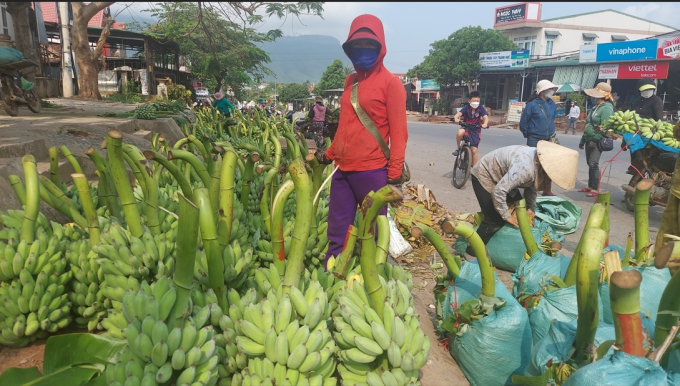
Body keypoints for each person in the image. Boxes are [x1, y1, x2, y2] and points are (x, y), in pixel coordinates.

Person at [314, 14, 407, 270]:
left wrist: (394, 174)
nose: (363, 50)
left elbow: (399, 134)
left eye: (369, 44)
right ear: (350, 48)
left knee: (374, 232)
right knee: (336, 230)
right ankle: (331, 275)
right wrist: (330, 154)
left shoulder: (392, 84)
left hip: (373, 172)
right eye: (358, 45)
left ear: (380, 46)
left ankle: (374, 279)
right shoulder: (350, 81)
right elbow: (346, 125)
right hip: (342, 171)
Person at [469, 141, 578, 252]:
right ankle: (471, 251)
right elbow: (499, 191)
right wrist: (507, 216)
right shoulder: (525, 169)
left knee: (519, 208)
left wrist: (531, 210)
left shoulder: (537, 162)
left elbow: (531, 188)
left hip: (504, 178)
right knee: (494, 220)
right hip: (485, 175)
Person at [519, 79, 559, 196]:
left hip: (549, 139)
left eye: (552, 89)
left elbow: (552, 119)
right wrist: (530, 134)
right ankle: (531, 190)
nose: (551, 91)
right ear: (542, 91)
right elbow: (523, 124)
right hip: (534, 139)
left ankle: (547, 190)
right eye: (549, 89)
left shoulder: (552, 104)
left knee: (548, 165)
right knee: (534, 165)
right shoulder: (532, 105)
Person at [578, 82, 615, 197]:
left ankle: (595, 188)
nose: (592, 97)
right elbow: (589, 124)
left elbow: (606, 127)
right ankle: (590, 185)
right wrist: (583, 140)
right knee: (589, 163)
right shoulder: (595, 107)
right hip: (588, 139)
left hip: (597, 140)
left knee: (594, 163)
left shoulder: (607, 108)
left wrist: (596, 138)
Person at [452, 91, 489, 166]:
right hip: (465, 126)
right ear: (469, 101)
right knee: (460, 133)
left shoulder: (480, 108)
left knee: (474, 150)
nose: (476, 102)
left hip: (476, 129)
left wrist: (485, 124)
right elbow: (459, 113)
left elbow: (485, 117)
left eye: (477, 101)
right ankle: (459, 149)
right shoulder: (466, 107)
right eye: (474, 101)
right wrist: (456, 117)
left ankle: (474, 169)